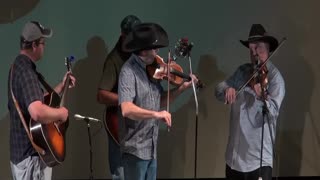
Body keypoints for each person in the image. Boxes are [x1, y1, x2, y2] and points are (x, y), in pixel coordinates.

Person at [118, 22, 198, 180]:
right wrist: (156, 114)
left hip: (151, 148)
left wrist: (182, 88)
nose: (158, 53)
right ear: (143, 50)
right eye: (155, 49)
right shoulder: (128, 71)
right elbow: (126, 109)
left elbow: (160, 102)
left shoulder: (153, 70)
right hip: (135, 150)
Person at [215, 24, 285, 180]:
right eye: (251, 49)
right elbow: (218, 91)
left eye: (258, 48)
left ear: (268, 49)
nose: (254, 54)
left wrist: (262, 95)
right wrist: (227, 90)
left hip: (258, 160)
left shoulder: (275, 80)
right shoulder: (243, 71)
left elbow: (273, 113)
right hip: (234, 157)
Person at [7, 21, 75, 180]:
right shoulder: (26, 72)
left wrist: (61, 86)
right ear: (35, 45)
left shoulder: (18, 66)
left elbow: (33, 100)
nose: (45, 47)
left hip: (23, 156)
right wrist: (60, 114)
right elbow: (37, 112)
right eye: (43, 43)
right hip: (31, 157)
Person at [97, 15, 141, 180]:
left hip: (135, 123)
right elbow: (101, 95)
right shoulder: (113, 60)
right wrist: (127, 99)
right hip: (118, 123)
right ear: (123, 35)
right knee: (120, 172)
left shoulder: (137, 55)